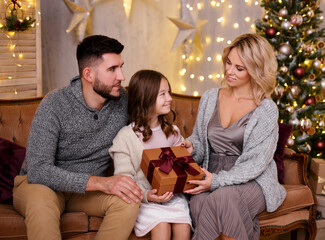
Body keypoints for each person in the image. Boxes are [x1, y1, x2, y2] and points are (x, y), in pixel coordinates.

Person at [12, 35, 143, 240]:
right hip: (41, 187)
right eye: (112, 69)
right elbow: (38, 170)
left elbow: (149, 129)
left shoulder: (122, 100)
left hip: (83, 194)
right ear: (88, 74)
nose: (122, 76)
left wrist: (184, 144)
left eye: (121, 67)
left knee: (130, 199)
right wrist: (101, 183)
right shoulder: (55, 104)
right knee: (41, 202)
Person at [181, 33, 287, 240]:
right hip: (210, 173)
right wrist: (191, 146)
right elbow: (201, 143)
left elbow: (256, 163)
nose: (229, 71)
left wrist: (218, 181)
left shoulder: (266, 109)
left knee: (222, 197)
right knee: (200, 201)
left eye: (239, 68)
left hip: (253, 179)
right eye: (228, 62)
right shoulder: (211, 97)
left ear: (256, 71)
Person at [109, 69, 192, 240]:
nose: (169, 98)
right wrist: (147, 196)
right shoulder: (126, 137)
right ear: (145, 98)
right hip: (146, 202)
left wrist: (188, 152)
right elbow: (124, 180)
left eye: (168, 92)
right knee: (161, 225)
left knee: (183, 226)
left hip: (174, 199)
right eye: (162, 94)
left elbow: (184, 168)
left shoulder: (173, 132)